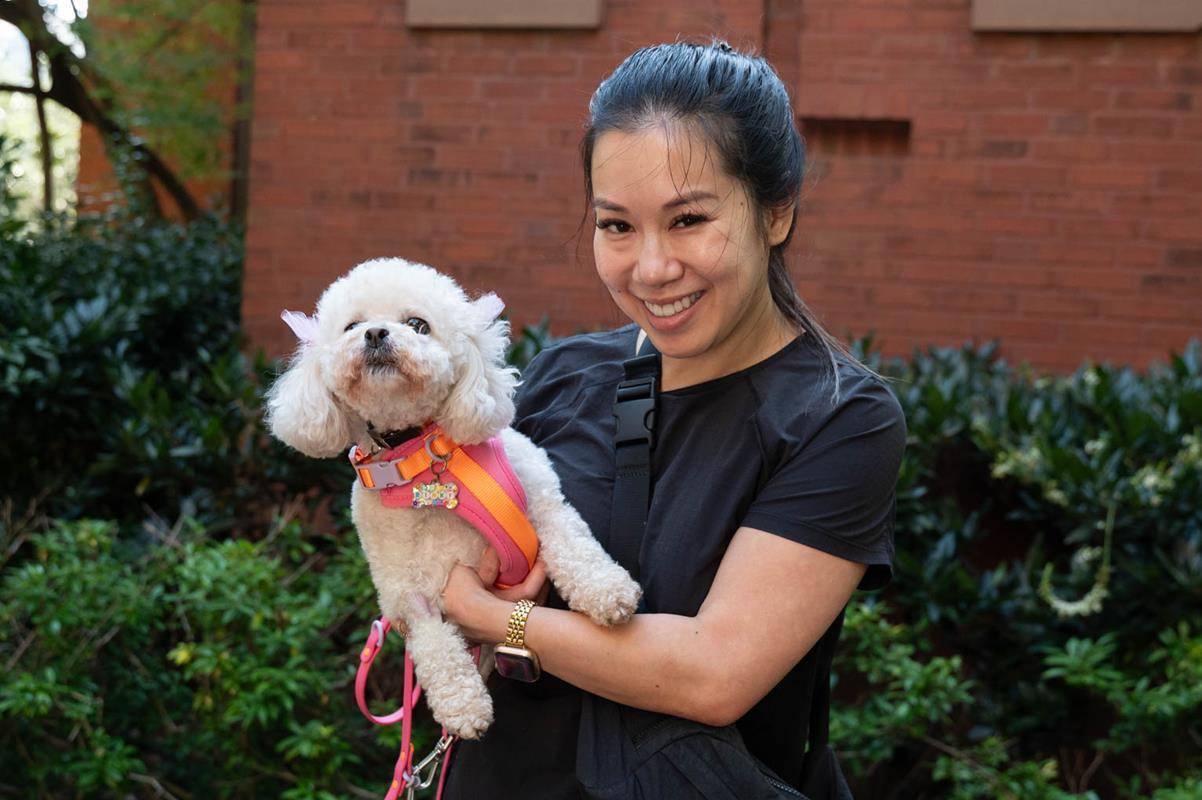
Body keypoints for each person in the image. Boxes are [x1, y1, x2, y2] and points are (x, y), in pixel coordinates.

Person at [437, 39, 907, 798]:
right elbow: (444, 560)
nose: (650, 268)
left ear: (775, 212)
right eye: (617, 225)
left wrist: (500, 620)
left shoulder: (839, 419)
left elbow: (711, 674)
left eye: (688, 220)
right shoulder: (561, 377)